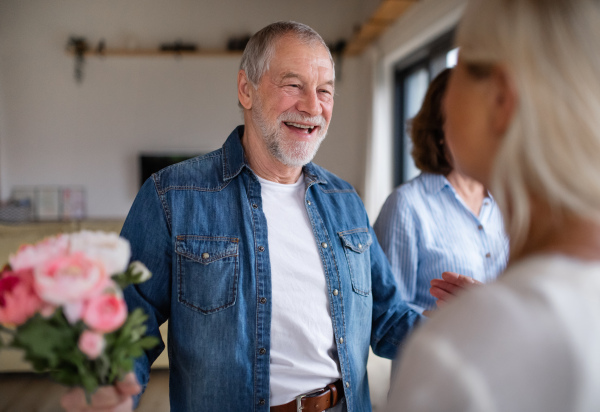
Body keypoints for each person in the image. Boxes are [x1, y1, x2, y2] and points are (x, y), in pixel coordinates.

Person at [61, 21, 424, 412]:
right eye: (293, 85)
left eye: (325, 90)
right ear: (245, 89)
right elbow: (127, 323)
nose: (313, 107)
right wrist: (111, 390)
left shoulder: (345, 200)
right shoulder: (172, 197)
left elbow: (388, 318)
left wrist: (475, 327)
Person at [386, 0, 600, 410]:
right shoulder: (409, 205)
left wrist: (482, 316)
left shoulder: (459, 354)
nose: (444, 102)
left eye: (462, 67)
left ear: (501, 98)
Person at [374, 68, 508, 315]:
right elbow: (385, 316)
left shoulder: (509, 202)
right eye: (471, 118)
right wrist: (453, 320)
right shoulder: (406, 206)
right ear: (440, 131)